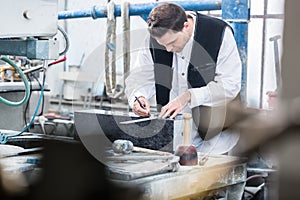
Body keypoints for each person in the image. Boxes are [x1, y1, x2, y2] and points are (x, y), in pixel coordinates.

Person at [125, 3, 242, 155]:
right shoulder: (155, 38)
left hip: (215, 136)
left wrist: (188, 96)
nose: (168, 49)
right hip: (173, 135)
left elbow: (230, 85)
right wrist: (138, 97)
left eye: (172, 43)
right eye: (163, 45)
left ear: (186, 26)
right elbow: (139, 77)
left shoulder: (218, 33)